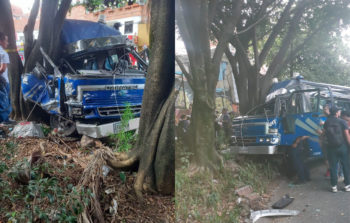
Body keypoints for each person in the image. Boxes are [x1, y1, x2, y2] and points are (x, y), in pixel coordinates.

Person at [324, 106, 350, 192]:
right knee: (345, 165)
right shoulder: (342, 122)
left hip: (331, 148)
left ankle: (334, 186)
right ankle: (347, 186)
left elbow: (325, 134)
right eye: (339, 111)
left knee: (333, 167)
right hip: (342, 147)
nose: (339, 113)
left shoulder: (326, 122)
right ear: (336, 113)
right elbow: (347, 135)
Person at [0, 32, 11, 123]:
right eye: (6, 41)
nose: (7, 43)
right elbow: (3, 69)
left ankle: (6, 120)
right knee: (4, 103)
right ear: (1, 41)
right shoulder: (3, 53)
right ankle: (4, 122)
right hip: (3, 82)